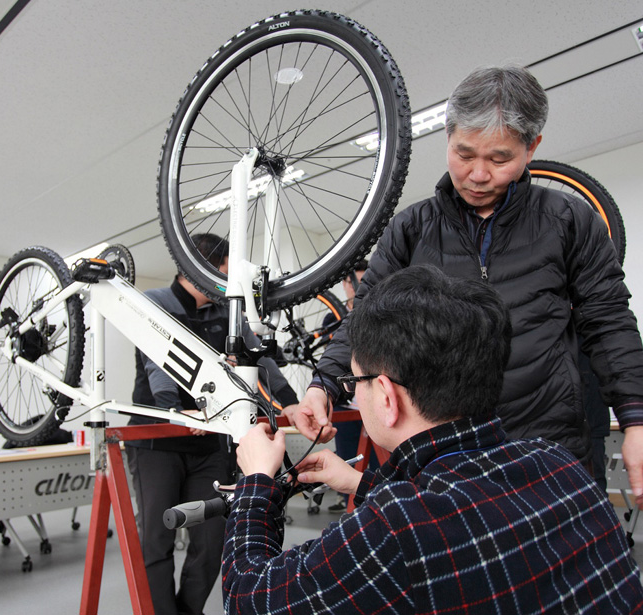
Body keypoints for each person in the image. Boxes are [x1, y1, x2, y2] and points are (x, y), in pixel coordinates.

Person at [291, 64, 643, 506]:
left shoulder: (569, 221)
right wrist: (321, 385)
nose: (478, 174)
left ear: (532, 147)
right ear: (447, 136)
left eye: (499, 160)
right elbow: (365, 317)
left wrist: (636, 422)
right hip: (441, 450)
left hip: (547, 444)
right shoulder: (411, 229)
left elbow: (609, 322)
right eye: (464, 154)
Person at [223, 265, 643, 614]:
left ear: (386, 396)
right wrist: (359, 483)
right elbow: (459, 511)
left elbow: (248, 600)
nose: (353, 392)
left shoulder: (393, 529)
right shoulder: (559, 465)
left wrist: (257, 482)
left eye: (353, 381)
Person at [125, 233, 298, 615]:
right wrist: (177, 410)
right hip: (159, 443)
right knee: (157, 541)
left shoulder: (226, 313)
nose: (229, 282)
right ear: (198, 268)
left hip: (209, 446)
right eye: (224, 272)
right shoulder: (155, 303)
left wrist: (293, 403)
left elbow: (259, 359)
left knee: (211, 541)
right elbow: (159, 363)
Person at [323, 260, 379, 512]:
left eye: (362, 281)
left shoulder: (377, 312)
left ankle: (378, 512)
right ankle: (351, 514)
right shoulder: (330, 317)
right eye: (352, 282)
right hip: (345, 404)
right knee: (347, 462)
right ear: (345, 284)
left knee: (379, 465)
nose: (356, 287)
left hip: (374, 403)